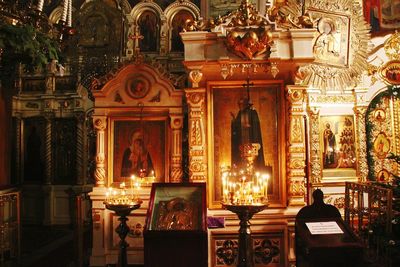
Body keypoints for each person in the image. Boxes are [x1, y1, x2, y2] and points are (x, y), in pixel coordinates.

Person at [230, 96, 265, 169]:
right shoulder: (240, 113)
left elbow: (256, 126)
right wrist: (234, 121)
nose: (240, 106)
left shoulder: (253, 112)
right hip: (242, 140)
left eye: (241, 104)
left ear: (245, 104)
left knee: (252, 160)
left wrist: (250, 126)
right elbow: (236, 127)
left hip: (251, 139)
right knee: (242, 159)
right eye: (239, 104)